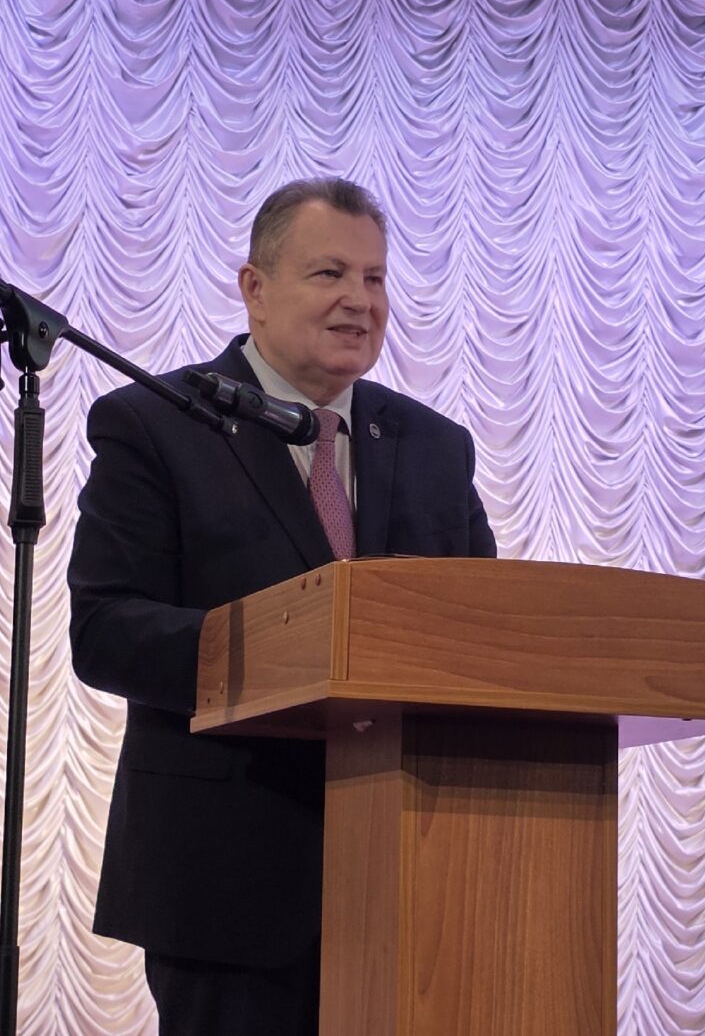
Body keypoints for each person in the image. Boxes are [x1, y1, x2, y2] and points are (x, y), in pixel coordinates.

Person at [67, 177, 496, 1034]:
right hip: (227, 878)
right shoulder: (155, 423)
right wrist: (293, 645)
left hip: (414, 874)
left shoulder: (435, 446)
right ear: (254, 289)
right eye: (329, 273)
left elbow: (481, 630)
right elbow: (106, 628)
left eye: (374, 278)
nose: (359, 300)